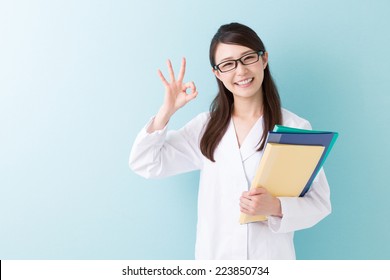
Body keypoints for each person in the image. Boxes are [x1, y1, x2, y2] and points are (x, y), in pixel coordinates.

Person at [129, 22, 331, 260]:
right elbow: (145, 163)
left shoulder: (295, 128)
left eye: (248, 58)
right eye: (228, 64)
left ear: (264, 59)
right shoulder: (206, 128)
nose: (241, 71)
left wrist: (275, 207)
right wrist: (166, 112)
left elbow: (319, 204)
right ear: (217, 73)